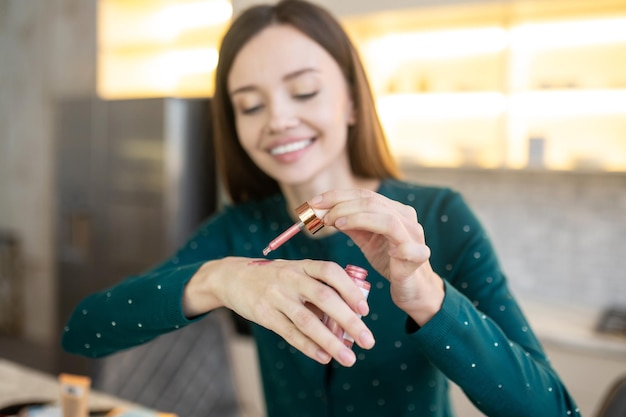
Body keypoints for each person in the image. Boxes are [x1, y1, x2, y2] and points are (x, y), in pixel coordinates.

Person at [62, 1, 580, 416]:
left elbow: (553, 410)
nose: (279, 119)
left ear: (353, 101)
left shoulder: (440, 217)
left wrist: (425, 292)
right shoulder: (242, 229)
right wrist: (219, 279)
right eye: (251, 104)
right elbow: (85, 330)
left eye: (304, 90)